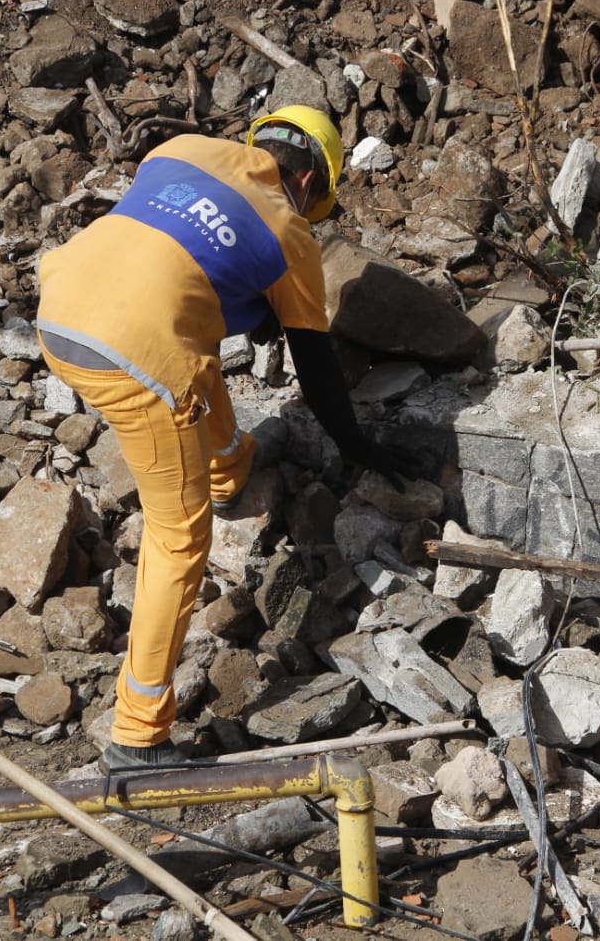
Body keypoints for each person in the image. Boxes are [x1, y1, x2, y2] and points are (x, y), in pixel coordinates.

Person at [35, 106, 407, 770]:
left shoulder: (181, 149)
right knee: (179, 536)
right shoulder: (290, 231)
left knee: (196, 335)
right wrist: (360, 450)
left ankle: (230, 467)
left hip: (58, 310)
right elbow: (316, 370)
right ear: (307, 184)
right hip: (136, 358)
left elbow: (174, 258)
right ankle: (137, 732)